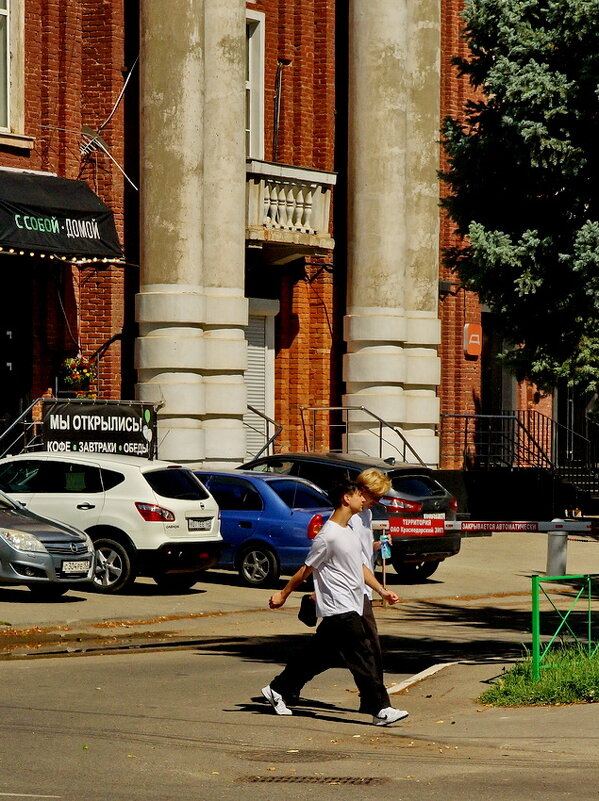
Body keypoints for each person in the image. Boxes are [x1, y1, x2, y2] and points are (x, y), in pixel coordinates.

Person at [260, 479, 408, 726]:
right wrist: (283, 594)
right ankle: (380, 709)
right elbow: (305, 569)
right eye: (359, 495)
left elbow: (360, 566)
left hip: (352, 603)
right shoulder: (327, 536)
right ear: (346, 499)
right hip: (339, 606)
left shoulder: (348, 531)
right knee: (363, 654)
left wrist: (381, 591)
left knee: (318, 656)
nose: (364, 499)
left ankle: (278, 689)